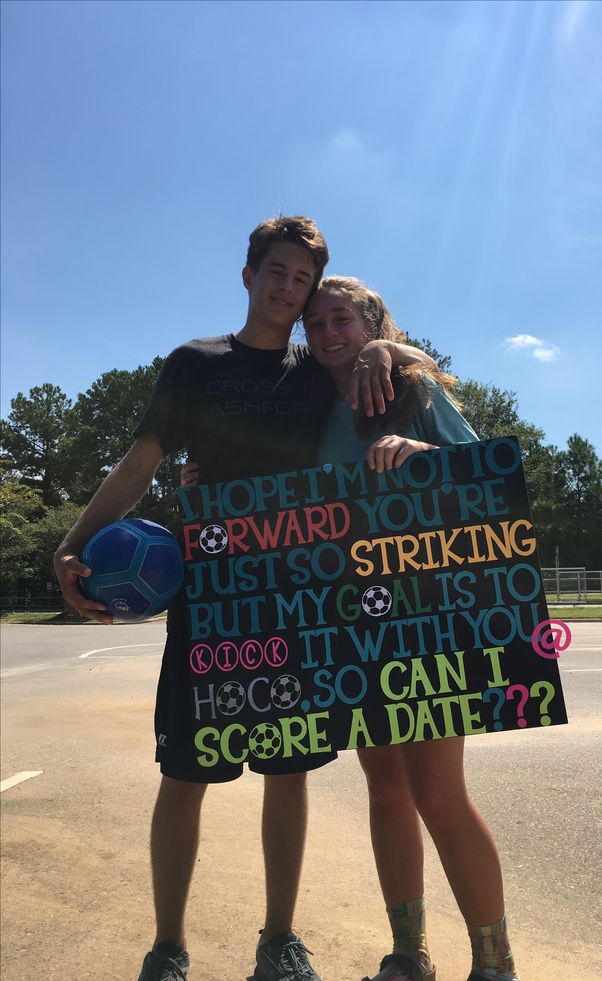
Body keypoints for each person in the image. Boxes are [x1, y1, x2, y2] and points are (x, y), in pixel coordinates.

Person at [53, 217, 437, 981]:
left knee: (287, 772)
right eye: (278, 273)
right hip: (214, 592)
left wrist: (384, 346)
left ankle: (280, 941)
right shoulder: (194, 364)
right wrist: (72, 540)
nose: (290, 289)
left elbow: (410, 362)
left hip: (296, 598)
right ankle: (167, 946)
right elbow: (139, 463)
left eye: (302, 278)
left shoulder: (315, 369)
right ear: (249, 274)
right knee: (186, 772)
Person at [302, 277, 520, 981]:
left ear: (370, 324)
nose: (328, 331)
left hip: (427, 615)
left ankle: (496, 964)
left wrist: (422, 455)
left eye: (342, 318)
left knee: (437, 790)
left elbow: (489, 480)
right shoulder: (307, 404)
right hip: (349, 618)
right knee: (386, 786)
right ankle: (408, 954)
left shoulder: (413, 393)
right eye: (317, 321)